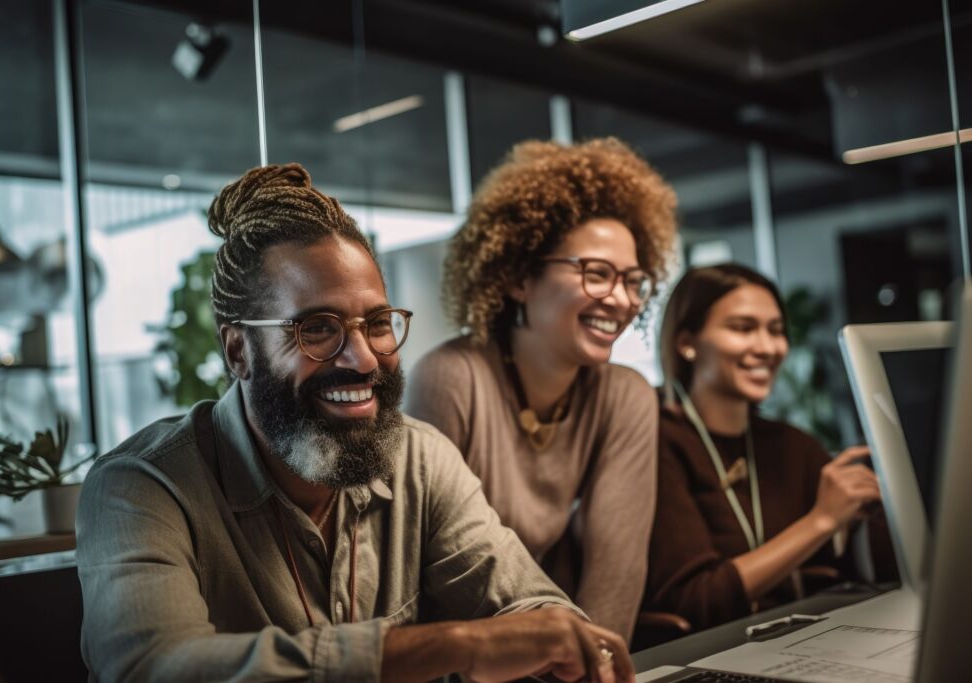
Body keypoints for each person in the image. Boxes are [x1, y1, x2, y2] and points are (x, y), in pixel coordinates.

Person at [76, 163, 634, 683]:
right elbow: (153, 665)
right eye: (318, 328)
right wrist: (462, 646)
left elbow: (523, 600)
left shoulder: (420, 457)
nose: (364, 358)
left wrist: (565, 639)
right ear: (239, 351)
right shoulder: (141, 487)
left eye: (377, 323)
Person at [406, 138, 679, 640]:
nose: (620, 299)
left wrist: (594, 669)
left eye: (633, 280)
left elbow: (616, 570)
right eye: (596, 274)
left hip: (558, 654)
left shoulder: (627, 396)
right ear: (517, 278)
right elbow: (434, 574)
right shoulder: (450, 378)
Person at [644, 263, 893, 630]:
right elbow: (695, 600)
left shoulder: (793, 445)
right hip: (706, 655)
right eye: (743, 328)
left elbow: (887, 571)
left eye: (776, 331)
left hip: (802, 638)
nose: (767, 347)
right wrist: (822, 520)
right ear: (686, 343)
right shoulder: (655, 441)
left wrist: (863, 514)